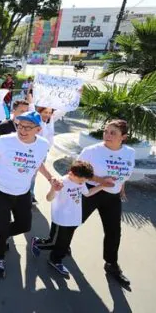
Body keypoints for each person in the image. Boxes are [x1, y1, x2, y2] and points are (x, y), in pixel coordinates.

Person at [0, 111, 60, 279]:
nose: (22, 131)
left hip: (23, 191)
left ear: (38, 129)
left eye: (28, 128)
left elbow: (39, 164)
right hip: (0, 189)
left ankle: (0, 232)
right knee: (2, 226)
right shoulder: (5, 141)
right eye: (20, 126)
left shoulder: (43, 144)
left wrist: (50, 178)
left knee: (24, 225)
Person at [77, 119, 135, 286]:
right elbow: (76, 169)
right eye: (106, 131)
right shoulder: (92, 151)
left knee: (114, 231)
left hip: (112, 197)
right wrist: (99, 180)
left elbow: (123, 172)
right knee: (73, 222)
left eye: (113, 133)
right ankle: (59, 246)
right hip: (91, 192)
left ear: (123, 137)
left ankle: (111, 264)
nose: (107, 135)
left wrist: (121, 187)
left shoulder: (129, 152)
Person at [31, 160, 105, 277]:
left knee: (65, 242)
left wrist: (102, 186)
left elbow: (87, 193)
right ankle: (40, 246)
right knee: (54, 242)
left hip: (73, 217)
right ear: (71, 174)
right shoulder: (61, 183)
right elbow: (49, 198)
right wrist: (54, 189)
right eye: (81, 180)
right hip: (61, 219)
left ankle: (56, 257)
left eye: (85, 181)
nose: (82, 183)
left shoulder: (81, 182)